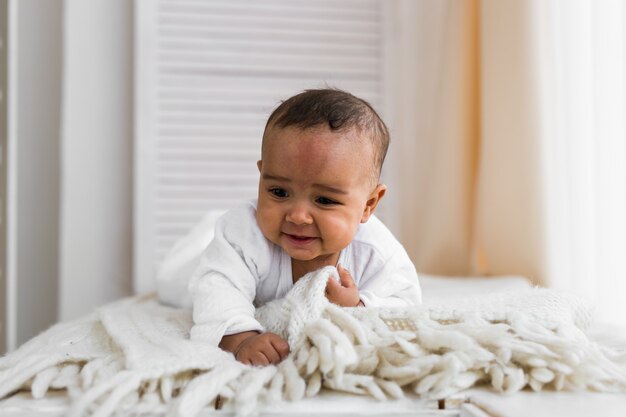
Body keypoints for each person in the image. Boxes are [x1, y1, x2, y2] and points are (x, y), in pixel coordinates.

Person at [188, 89, 422, 366]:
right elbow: (218, 288)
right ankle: (201, 237)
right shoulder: (243, 233)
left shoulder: (377, 252)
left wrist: (357, 307)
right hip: (198, 260)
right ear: (261, 175)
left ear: (368, 205)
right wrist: (241, 337)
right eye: (278, 192)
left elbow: (407, 309)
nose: (298, 216)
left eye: (324, 200)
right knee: (181, 278)